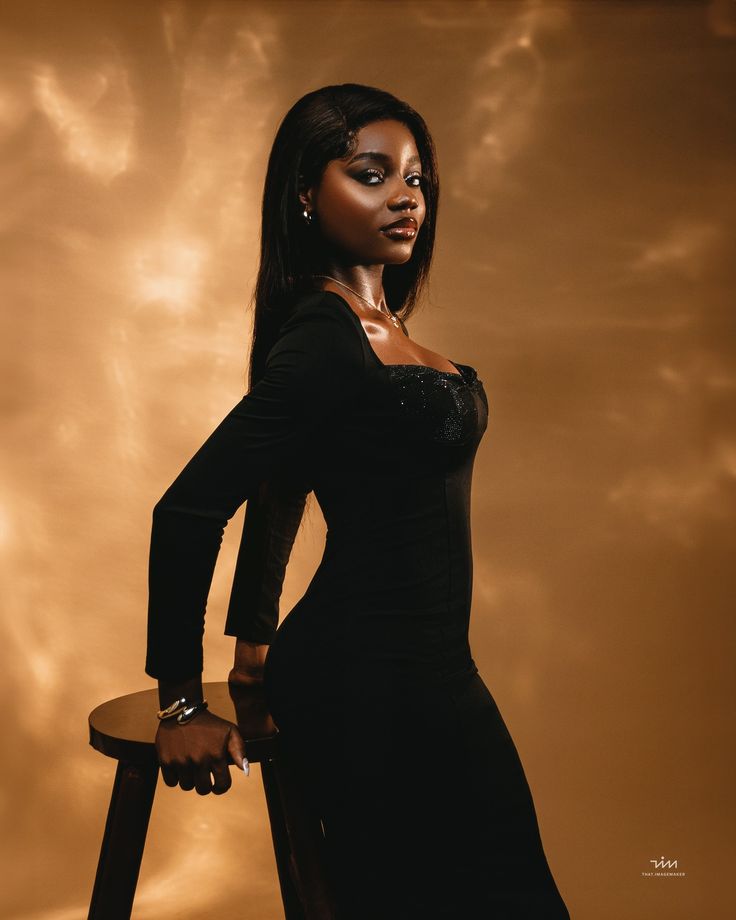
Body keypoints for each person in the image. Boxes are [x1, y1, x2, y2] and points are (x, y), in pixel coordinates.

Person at [145, 83, 571, 919]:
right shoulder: (323, 342)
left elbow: (282, 490)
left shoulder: (378, 333)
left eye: (415, 178)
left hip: (435, 677)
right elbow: (188, 509)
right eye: (372, 174)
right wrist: (181, 702)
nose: (405, 196)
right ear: (306, 193)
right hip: (366, 687)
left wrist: (253, 644)